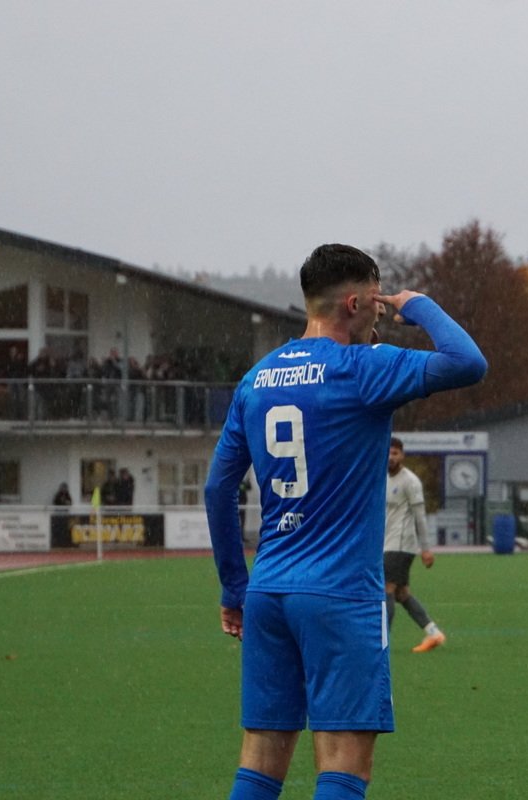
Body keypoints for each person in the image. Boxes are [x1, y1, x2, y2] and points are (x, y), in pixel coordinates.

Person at [205, 243, 486, 799]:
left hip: (269, 592)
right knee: (343, 764)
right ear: (354, 303)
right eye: (377, 301)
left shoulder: (256, 380)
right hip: (340, 594)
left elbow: (218, 488)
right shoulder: (363, 368)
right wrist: (419, 305)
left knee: (260, 761)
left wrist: (235, 587)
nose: (382, 312)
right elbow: (468, 362)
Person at [384, 437, 445, 653]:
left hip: (402, 544)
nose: (391, 457)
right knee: (401, 594)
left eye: (395, 453)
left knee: (386, 588)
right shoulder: (381, 478)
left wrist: (425, 549)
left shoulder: (410, 481)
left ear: (402, 455)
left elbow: (420, 516)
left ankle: (382, 641)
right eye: (388, 452)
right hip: (387, 543)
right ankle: (433, 633)